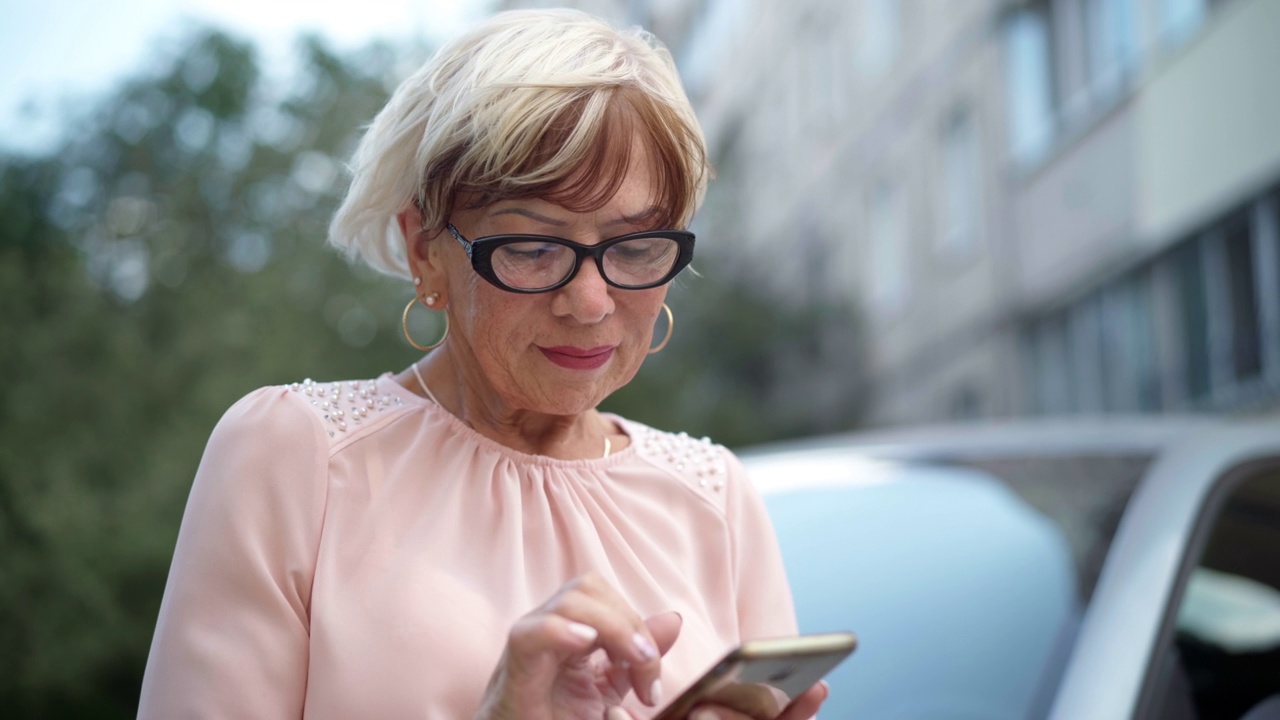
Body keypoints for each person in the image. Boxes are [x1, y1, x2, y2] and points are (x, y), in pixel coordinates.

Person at [137, 8, 828, 720]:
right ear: (424, 249)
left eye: (634, 246)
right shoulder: (295, 457)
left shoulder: (716, 499)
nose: (590, 302)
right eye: (531, 248)